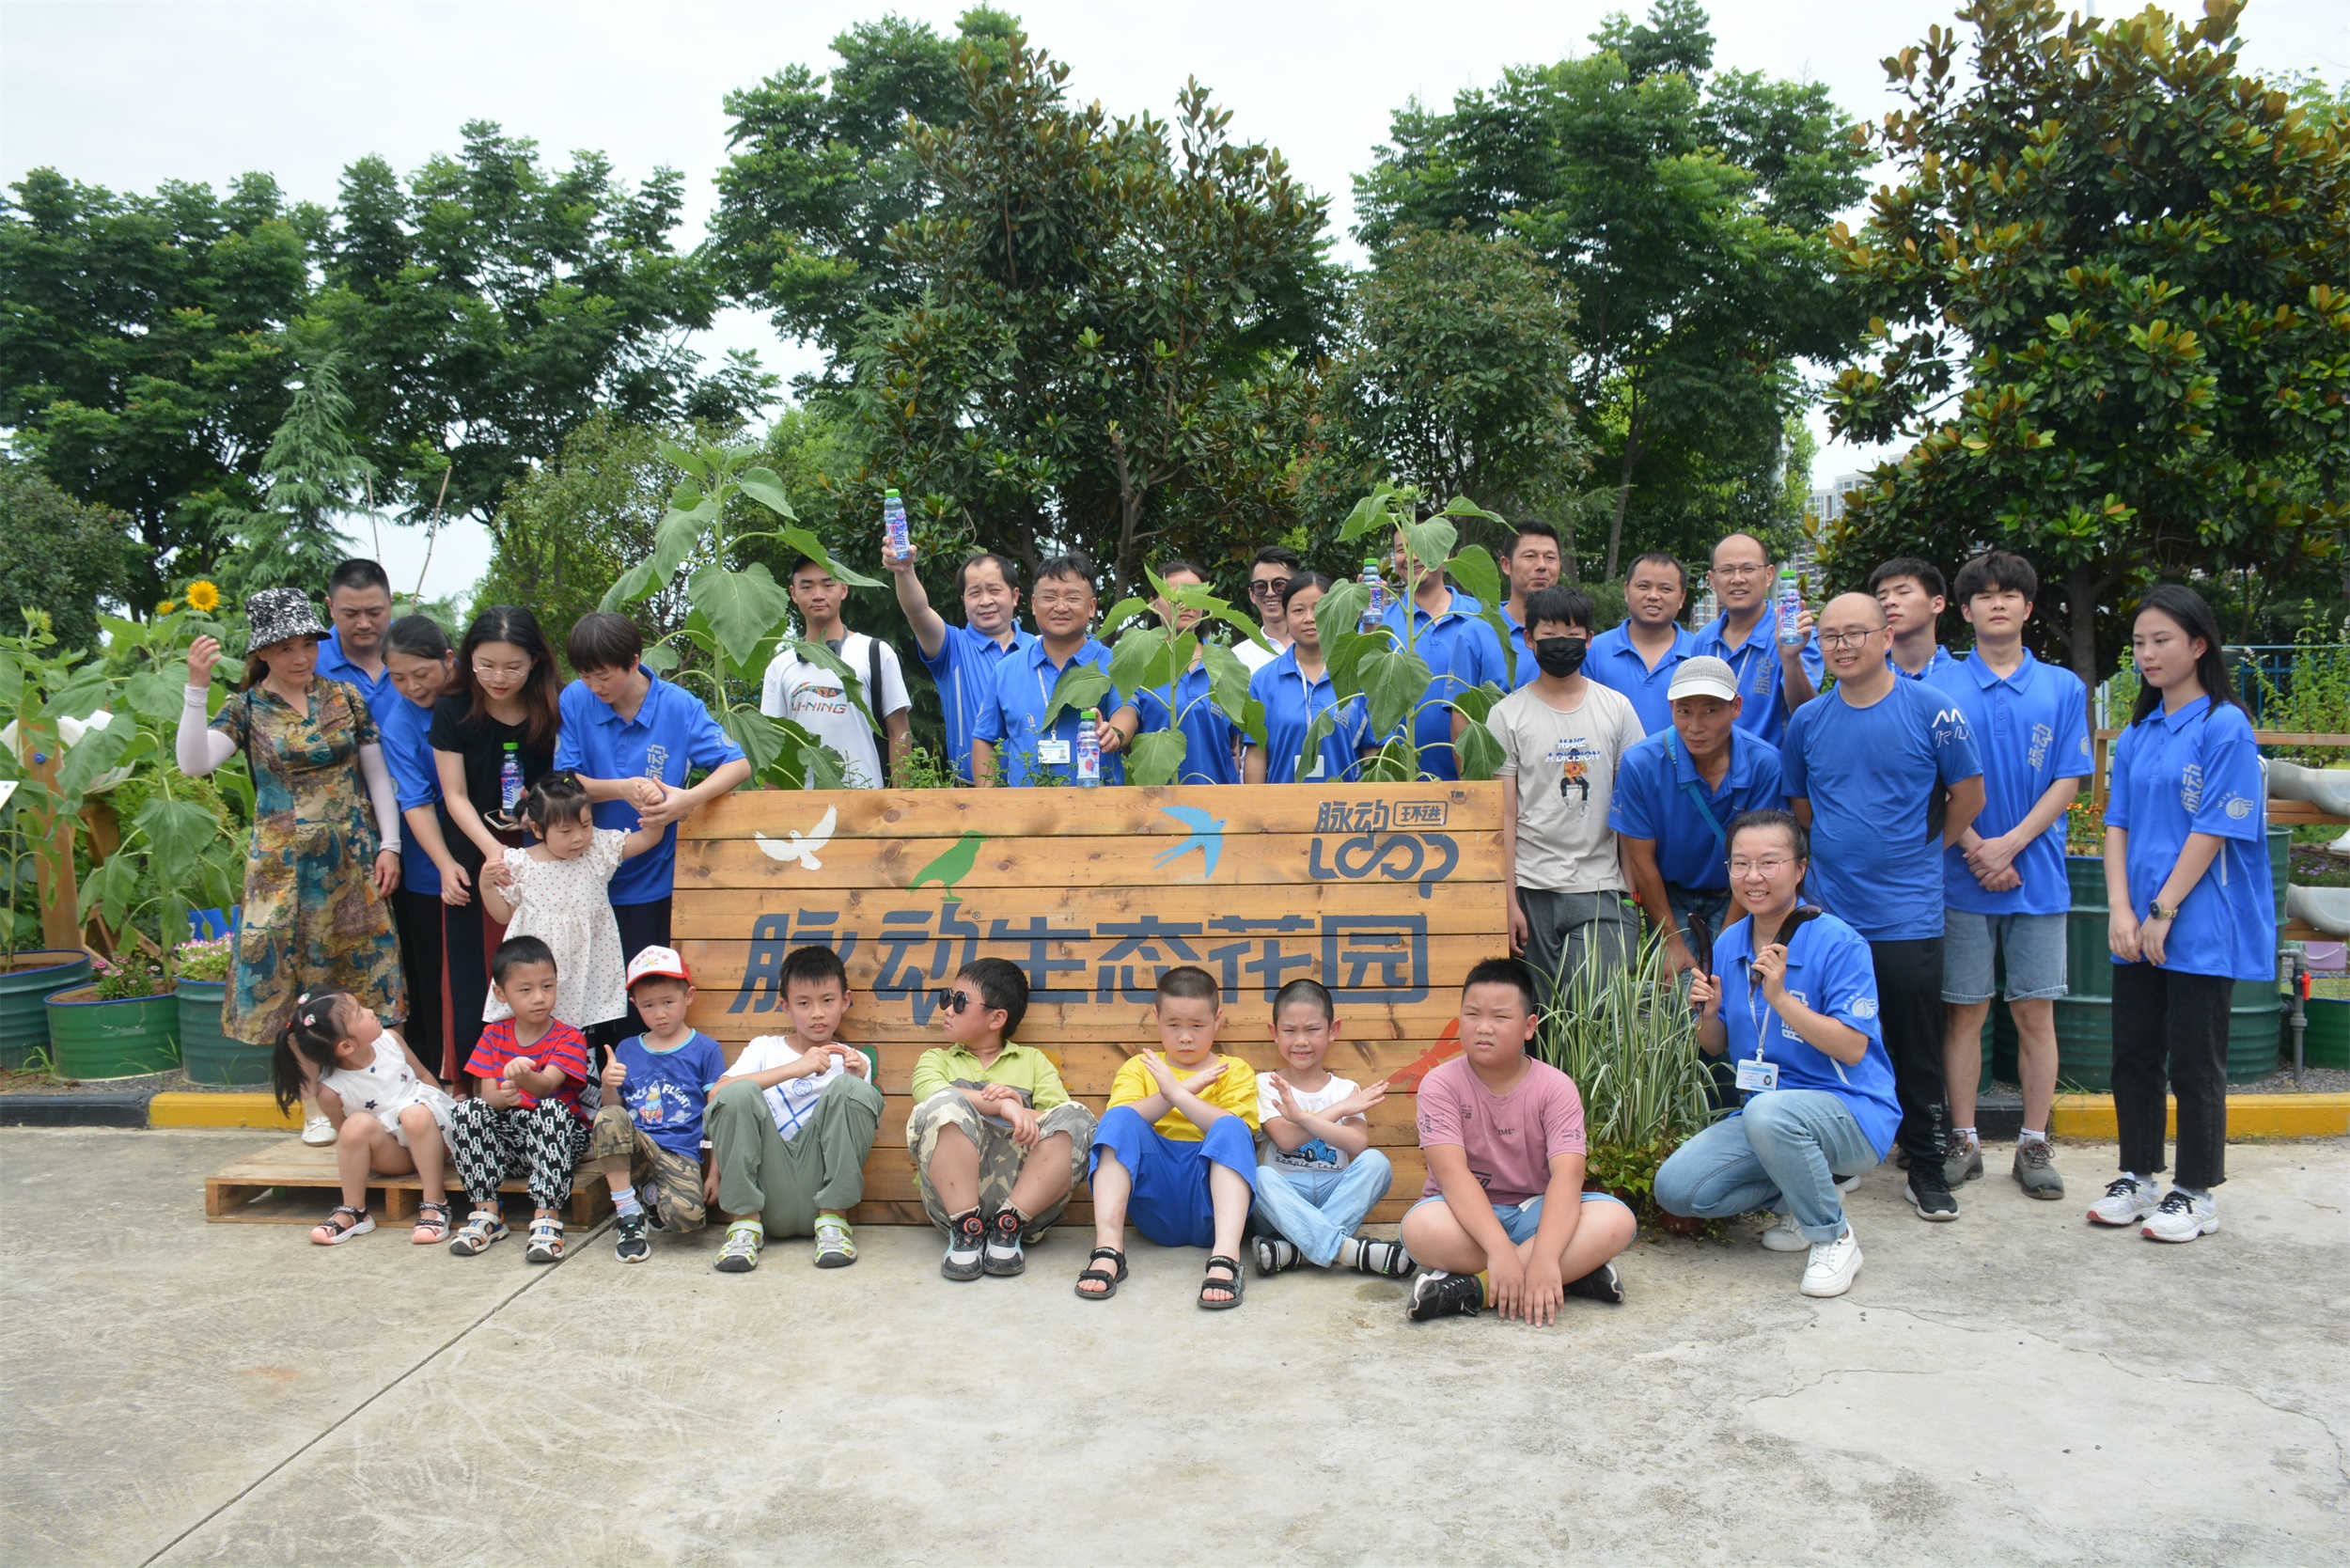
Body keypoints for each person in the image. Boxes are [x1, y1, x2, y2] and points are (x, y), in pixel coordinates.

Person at [178, 588, 406, 1148]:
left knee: (366, 972)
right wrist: (196, 689)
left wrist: (390, 844)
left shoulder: (345, 697)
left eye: (307, 644)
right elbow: (193, 763)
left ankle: (390, 1096)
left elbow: (377, 777)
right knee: (295, 983)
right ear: (263, 653)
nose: (300, 658)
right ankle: (316, 1104)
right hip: (282, 869)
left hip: (352, 858)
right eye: (285, 648)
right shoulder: (247, 709)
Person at [1782, 592, 1983, 1222]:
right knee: (1830, 1042)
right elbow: (1802, 809)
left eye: (1855, 633)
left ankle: (1924, 1163)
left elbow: (1968, 797)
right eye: (1831, 636)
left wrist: (1921, 853)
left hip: (1908, 914)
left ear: (1886, 633)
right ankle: (1839, 1159)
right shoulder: (1807, 721)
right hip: (1832, 915)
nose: (1842, 646)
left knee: (1915, 1045)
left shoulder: (1934, 710)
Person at [1653, 811, 1903, 1298]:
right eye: (1740, 863)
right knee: (1679, 1189)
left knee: (1768, 1112)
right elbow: (1718, 1046)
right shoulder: (1729, 943)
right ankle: (1797, 1201)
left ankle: (1833, 1236)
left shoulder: (1839, 942)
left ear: (1801, 868)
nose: (1753, 877)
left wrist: (1781, 998)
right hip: (1768, 1116)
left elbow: (1853, 1048)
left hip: (1851, 1111)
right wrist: (1706, 1014)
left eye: (1769, 862)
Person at [2090, 586, 2274, 1244]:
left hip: (2198, 923)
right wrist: (2120, 909)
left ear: (2199, 646)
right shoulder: (2139, 733)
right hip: (2136, 925)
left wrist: (2163, 909)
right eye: (2139, 643)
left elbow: (2213, 829)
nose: (2148, 654)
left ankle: (2195, 1193)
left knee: (2195, 1062)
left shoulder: (2225, 725)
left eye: (2161, 640)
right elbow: (2117, 824)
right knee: (2133, 1056)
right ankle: (2136, 1176)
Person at [1927, 552, 2092, 1198]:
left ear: (2028, 606)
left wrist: (2011, 845)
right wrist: (1976, 848)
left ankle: (2033, 1144)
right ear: (1964, 610)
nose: (1998, 604)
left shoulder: (2062, 688)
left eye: (2010, 594)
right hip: (1961, 875)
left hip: (2038, 876)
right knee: (1964, 1014)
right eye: (1984, 596)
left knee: (2034, 1013)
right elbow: (1932, 781)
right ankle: (1963, 1140)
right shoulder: (1939, 688)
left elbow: (2069, 778)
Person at [1399, 956, 1637, 1323]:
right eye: (1472, 1014)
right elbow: (1452, 1176)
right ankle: (1572, 1275)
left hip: (1536, 1212)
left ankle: (1472, 1290)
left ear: (1529, 1027)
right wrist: (1500, 1250)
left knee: (1616, 1219)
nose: (1484, 1028)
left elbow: (1568, 1176)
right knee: (1419, 1230)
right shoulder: (1440, 1084)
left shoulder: (1555, 1086)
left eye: (1500, 1017)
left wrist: (1543, 1255)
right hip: (1463, 1217)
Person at [555, 611, 751, 1038]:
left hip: (655, 876)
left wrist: (687, 800)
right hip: (588, 873)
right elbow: (565, 782)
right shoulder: (574, 699)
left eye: (603, 676)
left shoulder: (678, 706)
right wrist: (622, 788)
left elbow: (737, 764)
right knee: (593, 1000)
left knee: (646, 996)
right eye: (586, 676)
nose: (595, 687)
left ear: (634, 661)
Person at [1487, 585, 1645, 1002]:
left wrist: (1632, 893)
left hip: (1601, 887)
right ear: (1528, 638)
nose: (1561, 644)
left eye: (1572, 635)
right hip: (1532, 888)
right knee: (1541, 1016)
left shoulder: (1617, 709)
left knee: (1595, 1015)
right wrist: (1508, 901)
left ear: (1590, 639)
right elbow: (1503, 814)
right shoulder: (1506, 715)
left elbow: (1629, 806)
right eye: (1550, 634)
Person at [1078, 965, 1261, 1309]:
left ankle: (1226, 1259)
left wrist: (1178, 1095)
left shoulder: (1233, 1070)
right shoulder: (1141, 1067)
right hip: (1156, 1200)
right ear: (1156, 1017)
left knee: (1232, 1127)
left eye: (1197, 1026)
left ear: (1217, 1019)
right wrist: (1176, 1091)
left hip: (1210, 1197)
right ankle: (1108, 1249)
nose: (1186, 1037)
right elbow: (1123, 1123)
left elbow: (1240, 1132)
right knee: (1118, 1120)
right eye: (1173, 1025)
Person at [904, 957, 1097, 1280]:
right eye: (947, 998)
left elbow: (1060, 1119)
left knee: (1079, 1118)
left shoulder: (1033, 1062)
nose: (948, 1009)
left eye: (960, 1001)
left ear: (997, 1018)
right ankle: (967, 1228)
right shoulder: (935, 1060)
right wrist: (1001, 1106)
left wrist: (1019, 1109)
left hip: (1025, 1201)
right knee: (944, 1102)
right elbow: (929, 1093)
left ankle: (1008, 1227)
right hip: (950, 1203)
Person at [431, 607, 563, 1074]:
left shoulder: (555, 706)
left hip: (543, 852)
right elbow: (454, 795)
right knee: (472, 972)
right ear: (467, 660)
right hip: (476, 853)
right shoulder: (451, 711)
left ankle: (549, 1077)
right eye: (485, 665)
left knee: (539, 968)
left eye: (512, 666)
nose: (498, 677)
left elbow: (565, 782)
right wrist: (493, 851)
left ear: (535, 662)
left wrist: (541, 817)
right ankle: (470, 1083)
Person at [704, 945, 885, 1273]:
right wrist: (795, 1068)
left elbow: (853, 1133)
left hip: (824, 1193)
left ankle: (835, 1224)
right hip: (765, 1190)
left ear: (845, 1001)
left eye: (827, 1001)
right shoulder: (764, 1048)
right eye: (804, 1003)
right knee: (738, 1091)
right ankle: (743, 1226)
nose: (817, 1013)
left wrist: (857, 1081)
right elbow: (717, 1095)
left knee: (851, 1089)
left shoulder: (853, 1059)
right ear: (786, 1006)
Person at [1610, 655, 1787, 979]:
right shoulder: (1641, 764)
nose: (1695, 726)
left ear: (1735, 707)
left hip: (1741, 891)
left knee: (1731, 981)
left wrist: (1725, 945)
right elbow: (1641, 860)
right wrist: (1671, 941)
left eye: (1710, 710)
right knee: (1680, 996)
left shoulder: (1764, 764)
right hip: (1670, 895)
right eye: (1684, 710)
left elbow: (1756, 859)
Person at [478, 772, 664, 1043]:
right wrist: (486, 886)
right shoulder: (520, 864)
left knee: (590, 1036)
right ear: (538, 830)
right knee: (537, 1031)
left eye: (585, 825)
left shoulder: (598, 850)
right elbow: (502, 914)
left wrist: (652, 806)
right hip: (538, 969)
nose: (578, 838)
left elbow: (648, 839)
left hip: (588, 965)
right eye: (565, 831)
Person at [1245, 978, 1411, 1279]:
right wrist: (1340, 1110)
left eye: (1312, 1029)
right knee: (1259, 1176)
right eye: (1289, 1030)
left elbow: (1357, 1144)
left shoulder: (1346, 1089)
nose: (1301, 1041)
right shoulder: (1267, 1083)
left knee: (1377, 1163)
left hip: (1335, 1197)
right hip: (1283, 1204)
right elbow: (1284, 1139)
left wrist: (1306, 1117)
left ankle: (1293, 1252)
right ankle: (1347, 1251)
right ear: (1274, 1033)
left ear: (1333, 1030)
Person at [446, 935, 595, 1264]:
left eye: (547, 986)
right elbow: (488, 1098)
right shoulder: (493, 1035)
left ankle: (546, 1217)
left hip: (559, 1141)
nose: (539, 998)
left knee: (552, 1109)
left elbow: (545, 1087)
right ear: (501, 994)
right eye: (525, 990)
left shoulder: (569, 1037)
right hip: (513, 1148)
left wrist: (520, 1077)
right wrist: (506, 1095)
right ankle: (487, 1213)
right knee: (468, 1110)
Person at [272, 988, 456, 1247]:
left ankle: (435, 1203)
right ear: (346, 1046)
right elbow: (349, 1139)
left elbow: (424, 1077)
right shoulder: (330, 1090)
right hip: (395, 1155)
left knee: (414, 1114)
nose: (370, 1012)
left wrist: (451, 1115)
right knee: (354, 1125)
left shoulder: (392, 1040)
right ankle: (354, 1210)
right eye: (360, 1014)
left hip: (435, 1134)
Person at [588, 946, 724, 1264]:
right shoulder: (627, 1048)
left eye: (668, 1002)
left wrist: (715, 1172)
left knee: (687, 1219)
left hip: (680, 1153)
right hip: (636, 1148)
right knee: (608, 1116)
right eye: (648, 1005)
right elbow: (612, 1113)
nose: (660, 1013)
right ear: (635, 1005)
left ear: (688, 996)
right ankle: (627, 1213)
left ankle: (649, 1198)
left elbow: (718, 1115)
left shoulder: (705, 1049)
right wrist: (609, 1083)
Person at [970, 553, 1138, 787]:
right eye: (1049, 597)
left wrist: (1116, 734)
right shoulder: (1006, 670)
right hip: (1025, 816)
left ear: (1091, 607)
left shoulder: (1115, 664)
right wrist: (987, 805)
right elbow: (985, 739)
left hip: (1100, 813)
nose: (1060, 607)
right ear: (1034, 604)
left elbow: (1128, 711)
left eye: (1072, 597)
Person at [885, 544, 1036, 782]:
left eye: (995, 590)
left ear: (1015, 596)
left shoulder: (1039, 649)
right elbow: (918, 612)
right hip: (969, 797)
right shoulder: (951, 647)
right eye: (975, 593)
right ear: (963, 600)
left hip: (1037, 793)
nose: (985, 601)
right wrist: (904, 571)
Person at [758, 557, 913, 789]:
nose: (818, 594)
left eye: (828, 585)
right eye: (807, 586)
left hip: (868, 801)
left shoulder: (875, 652)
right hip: (800, 806)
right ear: (793, 593)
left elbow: (899, 732)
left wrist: (902, 805)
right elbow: (773, 748)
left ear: (844, 589)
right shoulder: (780, 666)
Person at [382, 616, 458, 1078]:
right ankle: (442, 1082)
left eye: (421, 674)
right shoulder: (398, 723)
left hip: (500, 857)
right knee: (436, 982)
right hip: (432, 873)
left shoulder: (479, 695)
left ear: (449, 660)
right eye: (398, 678)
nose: (411, 687)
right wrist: (445, 864)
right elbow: (415, 802)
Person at [1379, 525, 1506, 780]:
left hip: (1472, 775)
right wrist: (1369, 622)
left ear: (1445, 553)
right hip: (1399, 777)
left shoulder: (1480, 617)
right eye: (1401, 549)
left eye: (1421, 546)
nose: (1412, 556)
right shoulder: (1382, 622)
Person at [1691, 532, 1818, 749]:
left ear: (1769, 575)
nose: (1737, 578)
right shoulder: (1705, 639)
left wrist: (1791, 659)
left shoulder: (1791, 632)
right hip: (1712, 773)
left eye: (1748, 569)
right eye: (1727, 570)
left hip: (1772, 775)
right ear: (1712, 579)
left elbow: (1808, 712)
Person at [1243, 573, 1372, 784]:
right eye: (1298, 610)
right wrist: (1255, 813)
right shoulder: (1263, 681)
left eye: (1319, 608)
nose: (1310, 618)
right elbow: (1257, 754)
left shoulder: (1358, 675)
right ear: (1285, 615)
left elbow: (1372, 752)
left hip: (1345, 811)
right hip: (1282, 810)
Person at [1134, 559, 1240, 786]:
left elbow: (1234, 740)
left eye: (1194, 596)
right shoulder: (1138, 659)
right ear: (1153, 604)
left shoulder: (1222, 660)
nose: (1184, 603)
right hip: (1157, 805)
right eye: (1174, 594)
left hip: (1219, 802)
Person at [1586, 551, 1698, 736]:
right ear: (1626, 591)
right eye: (1643, 586)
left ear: (1682, 598)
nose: (1653, 595)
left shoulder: (1700, 652)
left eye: (1665, 589)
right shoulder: (1593, 651)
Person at [313, 558, 398, 718]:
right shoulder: (309, 662)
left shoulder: (422, 651)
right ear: (330, 607)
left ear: (389, 603)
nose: (364, 624)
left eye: (374, 612)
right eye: (351, 614)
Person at [1498, 522, 1565, 690]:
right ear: (1506, 565)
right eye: (1530, 556)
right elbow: (1460, 711)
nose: (1542, 565)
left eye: (1550, 558)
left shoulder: (1574, 634)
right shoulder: (1477, 631)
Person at [1872, 557, 1956, 682]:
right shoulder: (1862, 678)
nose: (1889, 602)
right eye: (1882, 597)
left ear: (1937, 604)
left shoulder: (1964, 679)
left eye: (1903, 592)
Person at [1233, 545, 1304, 677]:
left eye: (1279, 585)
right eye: (1260, 587)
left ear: (1296, 589)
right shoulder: (1237, 658)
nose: (1270, 593)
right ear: (1252, 595)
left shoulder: (1322, 648)